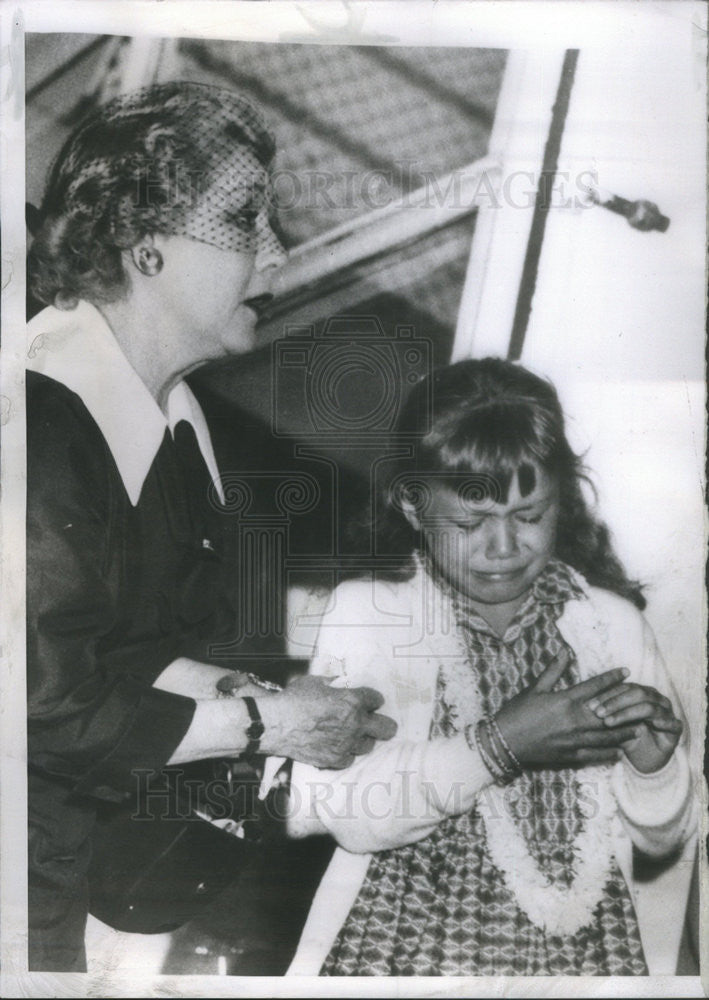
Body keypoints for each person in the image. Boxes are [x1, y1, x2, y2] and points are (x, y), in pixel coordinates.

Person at [26, 81, 396, 973]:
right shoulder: (30, 418)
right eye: (243, 220)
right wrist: (271, 723)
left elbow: (126, 650)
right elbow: (45, 707)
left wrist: (286, 705)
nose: (277, 255)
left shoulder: (176, 420)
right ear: (141, 244)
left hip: (54, 877)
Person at [286, 357, 696, 976]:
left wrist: (655, 768)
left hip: (584, 961)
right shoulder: (371, 611)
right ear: (412, 505)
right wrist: (499, 745)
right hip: (407, 950)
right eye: (471, 522)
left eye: (530, 516)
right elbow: (346, 811)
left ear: (564, 498)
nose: (503, 548)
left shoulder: (612, 625)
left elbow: (665, 841)